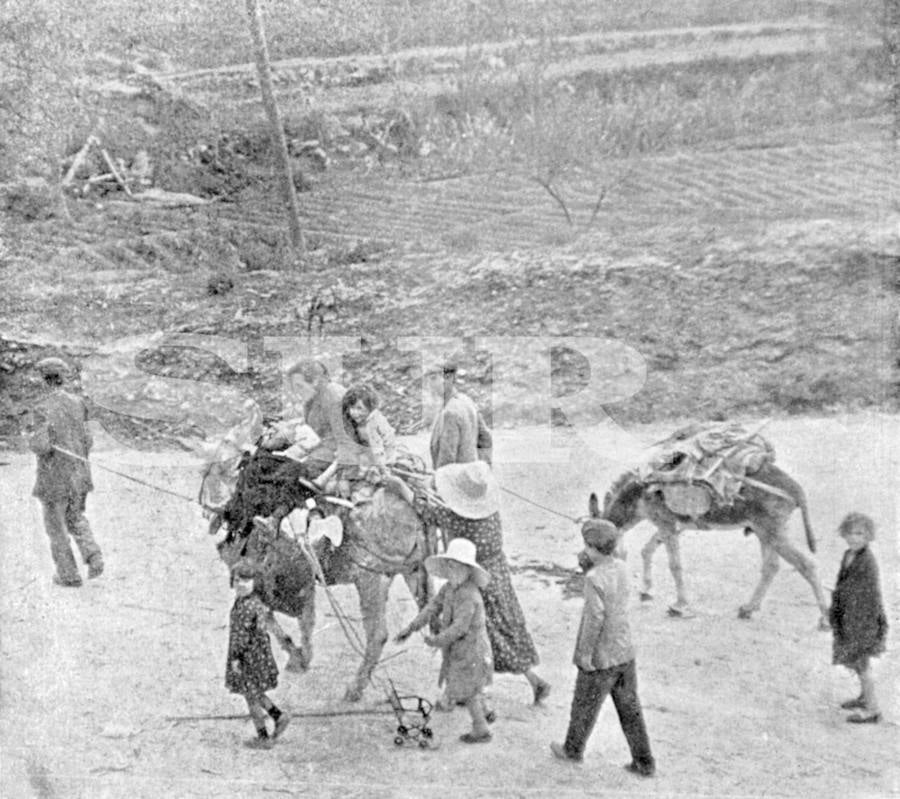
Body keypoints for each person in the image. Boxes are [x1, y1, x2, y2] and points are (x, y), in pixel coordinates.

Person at [405, 460, 550, 705]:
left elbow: (427, 511)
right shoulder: (489, 512)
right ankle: (533, 679)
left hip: (476, 579)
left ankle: (465, 694)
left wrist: (404, 489)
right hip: (498, 572)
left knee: (473, 638)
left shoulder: (460, 519)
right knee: (506, 630)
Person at [550, 519, 655, 778]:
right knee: (630, 708)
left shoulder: (594, 578)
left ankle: (573, 749)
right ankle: (644, 761)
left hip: (601, 656)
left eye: (587, 547)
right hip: (625, 650)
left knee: (584, 706)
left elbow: (594, 618)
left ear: (592, 549)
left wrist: (584, 654)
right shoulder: (621, 567)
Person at [395, 538, 494, 743]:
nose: (451, 569)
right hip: (460, 649)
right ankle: (483, 711)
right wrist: (412, 627)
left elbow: (459, 627)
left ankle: (480, 727)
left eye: (455, 565)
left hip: (471, 649)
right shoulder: (449, 588)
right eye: (449, 565)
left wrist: (437, 640)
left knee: (469, 689)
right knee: (466, 682)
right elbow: (432, 607)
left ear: (466, 569)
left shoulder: (469, 595)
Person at [28, 356, 104, 587]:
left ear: (44, 379)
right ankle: (93, 555)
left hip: (54, 478)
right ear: (63, 378)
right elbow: (88, 441)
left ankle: (68, 575)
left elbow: (40, 446)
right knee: (76, 517)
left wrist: (32, 440)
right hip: (79, 475)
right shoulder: (78, 403)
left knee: (56, 526)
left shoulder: (41, 407)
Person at [829, 512, 888, 724]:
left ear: (869, 536)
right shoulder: (848, 555)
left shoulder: (867, 561)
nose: (854, 537)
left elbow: (863, 594)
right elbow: (844, 584)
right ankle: (864, 698)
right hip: (851, 616)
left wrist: (839, 597)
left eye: (860, 534)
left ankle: (873, 710)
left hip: (863, 619)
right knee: (858, 663)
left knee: (862, 664)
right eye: (851, 533)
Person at [225, 559, 290, 749]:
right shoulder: (250, 602)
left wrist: (236, 657)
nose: (241, 585)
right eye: (237, 580)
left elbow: (243, 635)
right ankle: (278, 716)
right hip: (256, 655)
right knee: (254, 693)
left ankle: (263, 736)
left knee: (251, 697)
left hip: (248, 657)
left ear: (255, 582)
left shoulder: (247, 606)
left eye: (246, 580)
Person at [315, 383, 397, 496]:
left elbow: (381, 448)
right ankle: (323, 479)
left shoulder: (373, 423)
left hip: (382, 456)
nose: (354, 413)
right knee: (342, 456)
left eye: (359, 408)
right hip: (368, 452)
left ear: (370, 407)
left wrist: (382, 469)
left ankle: (361, 491)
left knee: (368, 476)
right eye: (352, 408)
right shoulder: (360, 421)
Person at [426, 358, 492, 469]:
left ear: (449, 378)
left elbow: (447, 458)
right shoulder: (467, 400)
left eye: (433, 379)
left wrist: (437, 481)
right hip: (471, 476)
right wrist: (483, 470)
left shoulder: (450, 412)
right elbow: (485, 438)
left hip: (455, 480)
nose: (430, 385)